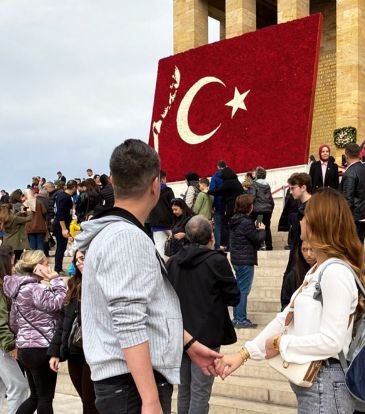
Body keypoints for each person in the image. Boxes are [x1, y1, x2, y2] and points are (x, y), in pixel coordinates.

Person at [75, 139, 221, 414]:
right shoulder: (126, 237)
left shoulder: (117, 233)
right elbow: (129, 320)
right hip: (132, 387)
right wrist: (150, 400)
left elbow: (148, 309)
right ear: (155, 185)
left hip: (128, 385)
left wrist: (187, 343)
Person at [216, 188, 365, 414]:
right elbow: (286, 317)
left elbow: (332, 341)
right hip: (315, 384)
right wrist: (244, 354)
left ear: (318, 224)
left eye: (305, 216)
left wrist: (281, 344)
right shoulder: (319, 270)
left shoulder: (335, 272)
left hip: (325, 383)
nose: (300, 221)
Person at [166, 216, 240, 414]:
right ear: (211, 237)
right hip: (207, 334)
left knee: (185, 390)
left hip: (180, 334)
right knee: (200, 391)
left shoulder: (173, 262)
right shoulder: (217, 261)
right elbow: (234, 297)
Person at [3, 250, 67, 414]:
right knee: (45, 397)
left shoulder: (18, 290)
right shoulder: (35, 288)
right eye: (46, 263)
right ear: (36, 267)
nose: (49, 266)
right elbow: (57, 303)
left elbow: (13, 323)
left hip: (26, 349)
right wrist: (56, 280)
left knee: (35, 397)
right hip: (41, 348)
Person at [48, 251, 98, 414]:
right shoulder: (74, 284)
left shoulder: (101, 283)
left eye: (82, 258)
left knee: (90, 402)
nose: (78, 263)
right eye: (76, 260)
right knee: (86, 399)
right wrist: (55, 352)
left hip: (94, 352)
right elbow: (63, 322)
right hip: (74, 351)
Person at [229, 194, 265, 329]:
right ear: (248, 207)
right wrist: (262, 231)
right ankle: (240, 319)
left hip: (236, 258)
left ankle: (237, 317)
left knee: (239, 288)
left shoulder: (234, 220)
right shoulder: (246, 222)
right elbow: (256, 239)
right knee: (243, 290)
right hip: (245, 259)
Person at [0, 246, 29, 414]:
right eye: (12, 260)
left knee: (4, 386)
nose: (15, 263)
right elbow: (1, 321)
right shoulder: (2, 288)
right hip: (3, 345)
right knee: (18, 387)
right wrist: (10, 344)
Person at [341, 142, 365, 243]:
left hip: (354, 217)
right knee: (359, 245)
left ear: (346, 155)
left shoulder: (349, 173)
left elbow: (348, 198)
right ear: (359, 154)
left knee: (353, 248)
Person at [208, 167, 244, 250]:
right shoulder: (237, 182)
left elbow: (218, 191)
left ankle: (230, 246)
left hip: (230, 208)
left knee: (229, 227)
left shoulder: (228, 183)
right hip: (238, 207)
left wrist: (208, 191)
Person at [280, 239, 316, 311]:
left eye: (312, 249)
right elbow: (285, 302)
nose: (308, 254)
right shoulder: (293, 275)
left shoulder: (326, 271)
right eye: (304, 249)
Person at [148, 170, 175, 260]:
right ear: (163, 178)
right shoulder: (168, 191)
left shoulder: (150, 193)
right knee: (174, 246)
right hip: (169, 222)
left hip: (156, 224)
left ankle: (163, 267)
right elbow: (173, 207)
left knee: (159, 247)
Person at [53, 180, 77, 275]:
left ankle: (58, 267)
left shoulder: (62, 195)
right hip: (60, 225)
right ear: (74, 187)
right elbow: (61, 214)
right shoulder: (65, 198)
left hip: (62, 223)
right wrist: (64, 228)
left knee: (61, 247)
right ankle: (58, 268)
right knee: (61, 248)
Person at [250, 166, 275, 251]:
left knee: (258, 226)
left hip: (258, 210)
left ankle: (259, 245)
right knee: (267, 227)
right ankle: (269, 246)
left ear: (257, 174)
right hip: (267, 210)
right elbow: (271, 200)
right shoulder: (267, 185)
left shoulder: (254, 184)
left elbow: (252, 197)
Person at [209, 160, 226, 250]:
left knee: (218, 225)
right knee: (226, 225)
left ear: (218, 167)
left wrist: (212, 205)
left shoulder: (215, 177)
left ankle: (218, 245)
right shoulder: (230, 176)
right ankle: (227, 244)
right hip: (228, 205)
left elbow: (211, 191)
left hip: (218, 204)